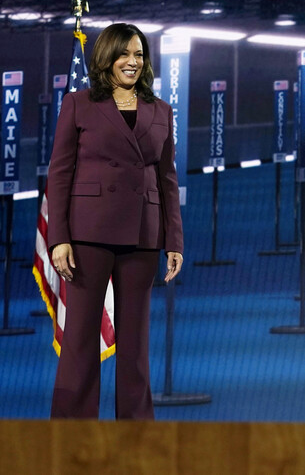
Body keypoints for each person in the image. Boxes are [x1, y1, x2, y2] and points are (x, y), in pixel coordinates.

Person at [47, 23, 184, 419]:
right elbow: (59, 173)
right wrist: (59, 238)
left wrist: (173, 240)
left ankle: (136, 437)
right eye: (124, 54)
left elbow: (168, 179)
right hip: (88, 235)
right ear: (106, 57)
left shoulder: (161, 111)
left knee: (136, 347)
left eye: (139, 54)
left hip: (142, 236)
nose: (133, 62)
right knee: (80, 341)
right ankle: (72, 435)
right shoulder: (79, 103)